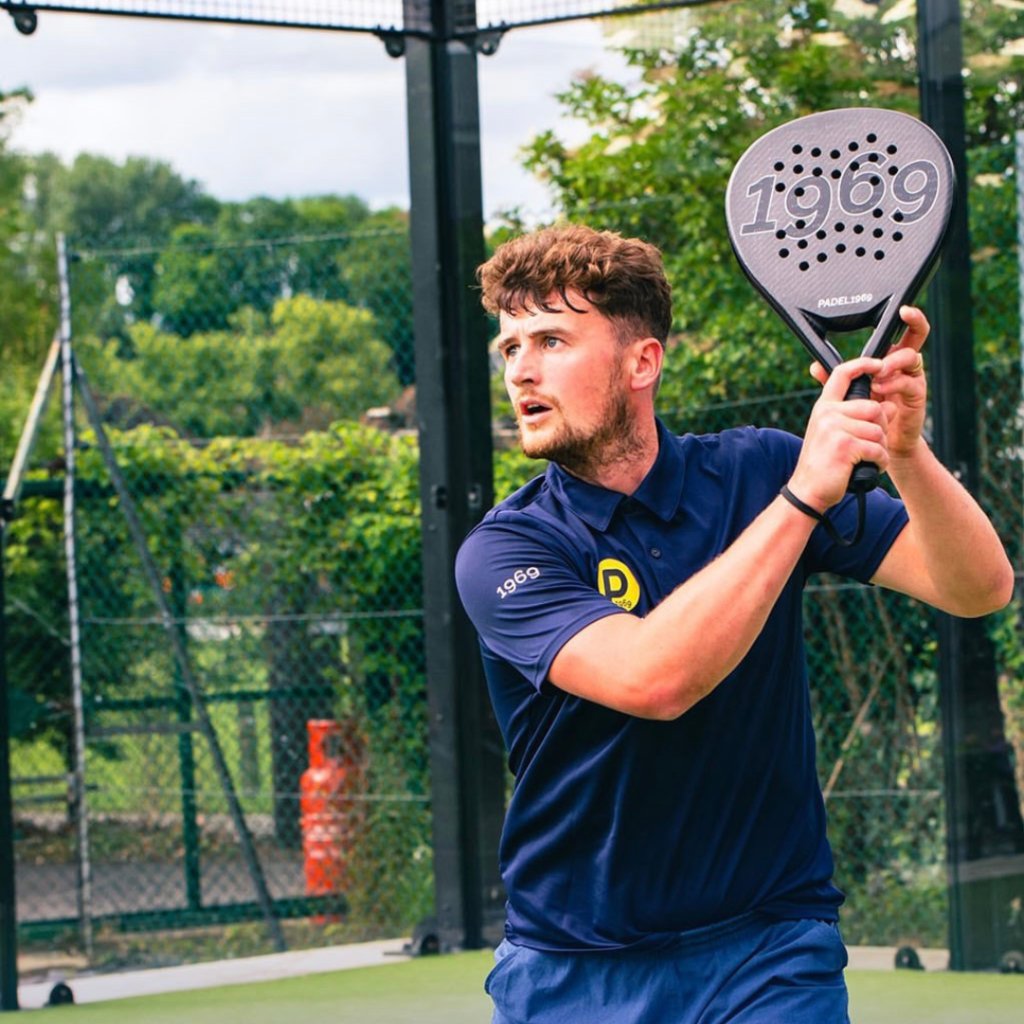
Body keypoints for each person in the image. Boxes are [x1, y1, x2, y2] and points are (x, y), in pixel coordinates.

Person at [454, 223, 1013, 1024]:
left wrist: (907, 452)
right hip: (575, 967)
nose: (522, 371)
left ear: (641, 361)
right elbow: (655, 679)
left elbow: (977, 587)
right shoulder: (507, 547)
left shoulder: (755, 469)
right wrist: (803, 499)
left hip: (771, 947)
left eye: (551, 339)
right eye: (509, 347)